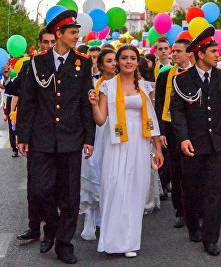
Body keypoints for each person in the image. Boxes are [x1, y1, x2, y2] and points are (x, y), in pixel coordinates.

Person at [16, 10, 95, 264]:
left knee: (70, 196)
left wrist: (89, 138)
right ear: (59, 34)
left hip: (71, 138)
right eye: (72, 32)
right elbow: (28, 102)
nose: (77, 36)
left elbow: (85, 104)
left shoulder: (82, 63)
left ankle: (64, 244)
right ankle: (52, 225)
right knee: (39, 190)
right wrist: (22, 136)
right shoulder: (37, 62)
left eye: (77, 32)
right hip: (42, 138)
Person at [89, 45, 164, 258]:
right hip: (116, 143)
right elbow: (101, 119)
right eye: (124, 58)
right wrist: (94, 105)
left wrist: (157, 148)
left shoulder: (145, 87)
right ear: (118, 62)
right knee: (115, 187)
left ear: (137, 61)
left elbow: (152, 120)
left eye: (132, 58)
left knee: (134, 191)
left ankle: (129, 241)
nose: (128, 62)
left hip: (139, 143)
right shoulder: (107, 87)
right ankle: (111, 241)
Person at [170, 27, 221, 256]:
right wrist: (184, 139)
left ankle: (211, 238)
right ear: (200, 54)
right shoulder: (183, 79)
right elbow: (177, 112)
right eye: (212, 50)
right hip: (193, 144)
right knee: (192, 189)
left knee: (213, 191)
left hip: (216, 143)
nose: (217, 54)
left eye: (217, 50)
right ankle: (192, 224)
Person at [13, 29, 56, 243]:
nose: (48, 46)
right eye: (45, 42)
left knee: (53, 185)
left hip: (59, 135)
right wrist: (23, 137)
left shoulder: (63, 65)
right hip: (36, 134)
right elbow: (19, 95)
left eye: (52, 42)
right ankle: (33, 226)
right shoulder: (31, 65)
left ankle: (52, 226)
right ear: (39, 44)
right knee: (35, 184)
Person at [154, 38, 192, 229]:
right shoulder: (164, 75)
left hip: (193, 128)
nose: (173, 54)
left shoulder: (196, 74)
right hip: (171, 127)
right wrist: (160, 131)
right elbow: (159, 104)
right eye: (173, 51)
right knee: (176, 170)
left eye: (178, 51)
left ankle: (196, 209)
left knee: (194, 172)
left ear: (189, 53)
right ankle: (180, 210)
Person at [80, 48, 117, 241]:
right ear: (101, 65)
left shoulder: (125, 82)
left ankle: (110, 218)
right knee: (96, 172)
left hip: (118, 131)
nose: (113, 64)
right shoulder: (95, 85)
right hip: (101, 130)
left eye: (115, 60)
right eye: (109, 61)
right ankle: (93, 217)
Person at [0, 64, 19, 157]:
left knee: (18, 123)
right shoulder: (5, 76)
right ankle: (14, 148)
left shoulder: (18, 75)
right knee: (12, 125)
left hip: (18, 99)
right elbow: (4, 89)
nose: (9, 67)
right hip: (10, 99)